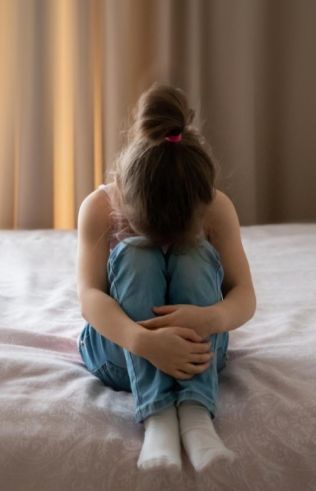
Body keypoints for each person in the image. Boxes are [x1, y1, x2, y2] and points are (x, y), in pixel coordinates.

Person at [75, 83, 256, 473]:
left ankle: (194, 415)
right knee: (137, 254)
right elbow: (89, 296)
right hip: (121, 351)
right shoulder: (101, 207)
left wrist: (211, 318)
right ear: (124, 195)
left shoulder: (214, 206)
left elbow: (244, 294)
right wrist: (141, 340)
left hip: (198, 352)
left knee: (193, 257)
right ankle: (157, 416)